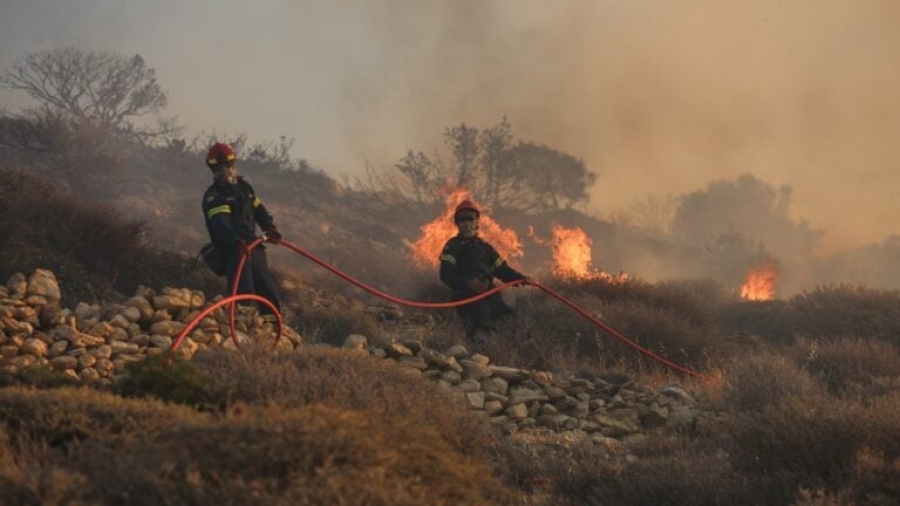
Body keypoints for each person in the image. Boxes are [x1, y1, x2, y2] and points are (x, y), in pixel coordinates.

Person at [201, 142, 283, 325]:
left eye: (231, 165)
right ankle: (243, 329)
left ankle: (273, 328)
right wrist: (237, 243)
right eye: (224, 167)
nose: (229, 170)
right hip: (235, 251)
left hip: (254, 248)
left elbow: (259, 209)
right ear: (215, 169)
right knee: (243, 294)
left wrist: (270, 227)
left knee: (268, 291)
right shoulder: (214, 196)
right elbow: (221, 225)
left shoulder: (244, 188)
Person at [439, 199, 535, 341]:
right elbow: (445, 273)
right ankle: (477, 358)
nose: (466, 223)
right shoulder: (453, 246)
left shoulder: (485, 247)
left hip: (491, 295)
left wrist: (521, 278)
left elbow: (502, 270)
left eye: (470, 218)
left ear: (477, 221)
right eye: (461, 219)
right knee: (481, 328)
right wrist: (467, 283)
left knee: (514, 322)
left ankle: (519, 355)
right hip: (468, 298)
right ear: (457, 223)